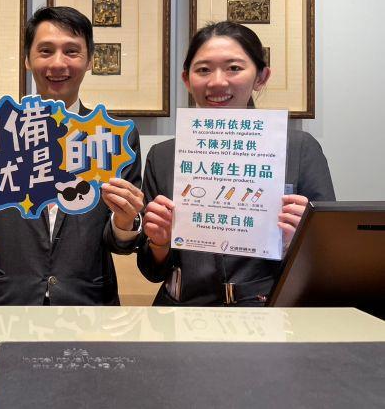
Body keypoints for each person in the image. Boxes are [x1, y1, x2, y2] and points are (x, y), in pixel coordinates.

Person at [0, 6, 144, 305]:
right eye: (45, 51)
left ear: (90, 61)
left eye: (72, 51)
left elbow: (119, 241)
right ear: (27, 60)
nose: (58, 63)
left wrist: (124, 222)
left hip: (89, 303)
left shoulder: (113, 137)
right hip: (7, 304)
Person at [138, 21, 335, 306]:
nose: (217, 82)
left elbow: (328, 259)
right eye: (203, 70)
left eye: (234, 68)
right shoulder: (163, 156)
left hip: (271, 313)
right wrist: (159, 242)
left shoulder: (300, 148)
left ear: (261, 77)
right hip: (182, 313)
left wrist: (301, 239)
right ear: (186, 79)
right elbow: (151, 270)